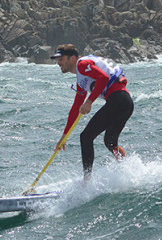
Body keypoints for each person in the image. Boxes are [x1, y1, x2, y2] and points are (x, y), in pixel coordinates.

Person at [50, 44, 134, 181]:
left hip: (118, 99)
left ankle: (86, 182)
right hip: (126, 103)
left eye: (61, 59)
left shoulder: (82, 65)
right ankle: (129, 171)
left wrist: (89, 102)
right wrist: (63, 137)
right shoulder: (81, 79)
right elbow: (76, 108)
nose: (58, 63)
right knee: (110, 142)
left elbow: (103, 78)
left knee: (85, 137)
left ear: (72, 58)